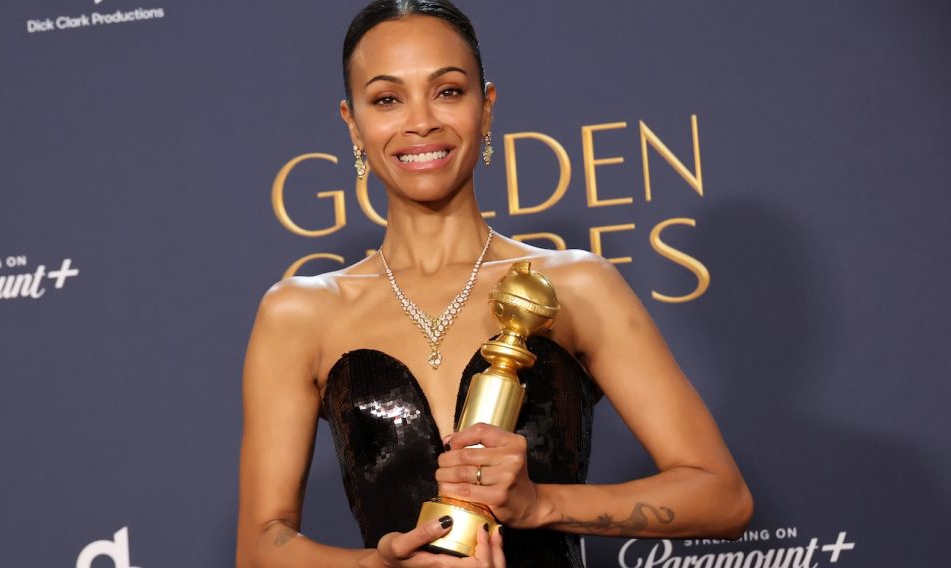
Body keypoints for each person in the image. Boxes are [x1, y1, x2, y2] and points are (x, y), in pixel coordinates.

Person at [236, 1, 753, 566]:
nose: (420, 121)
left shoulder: (576, 286)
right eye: (387, 98)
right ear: (352, 122)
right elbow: (261, 545)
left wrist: (540, 504)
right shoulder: (299, 313)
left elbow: (723, 498)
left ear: (486, 108)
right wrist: (376, 565)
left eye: (448, 91)